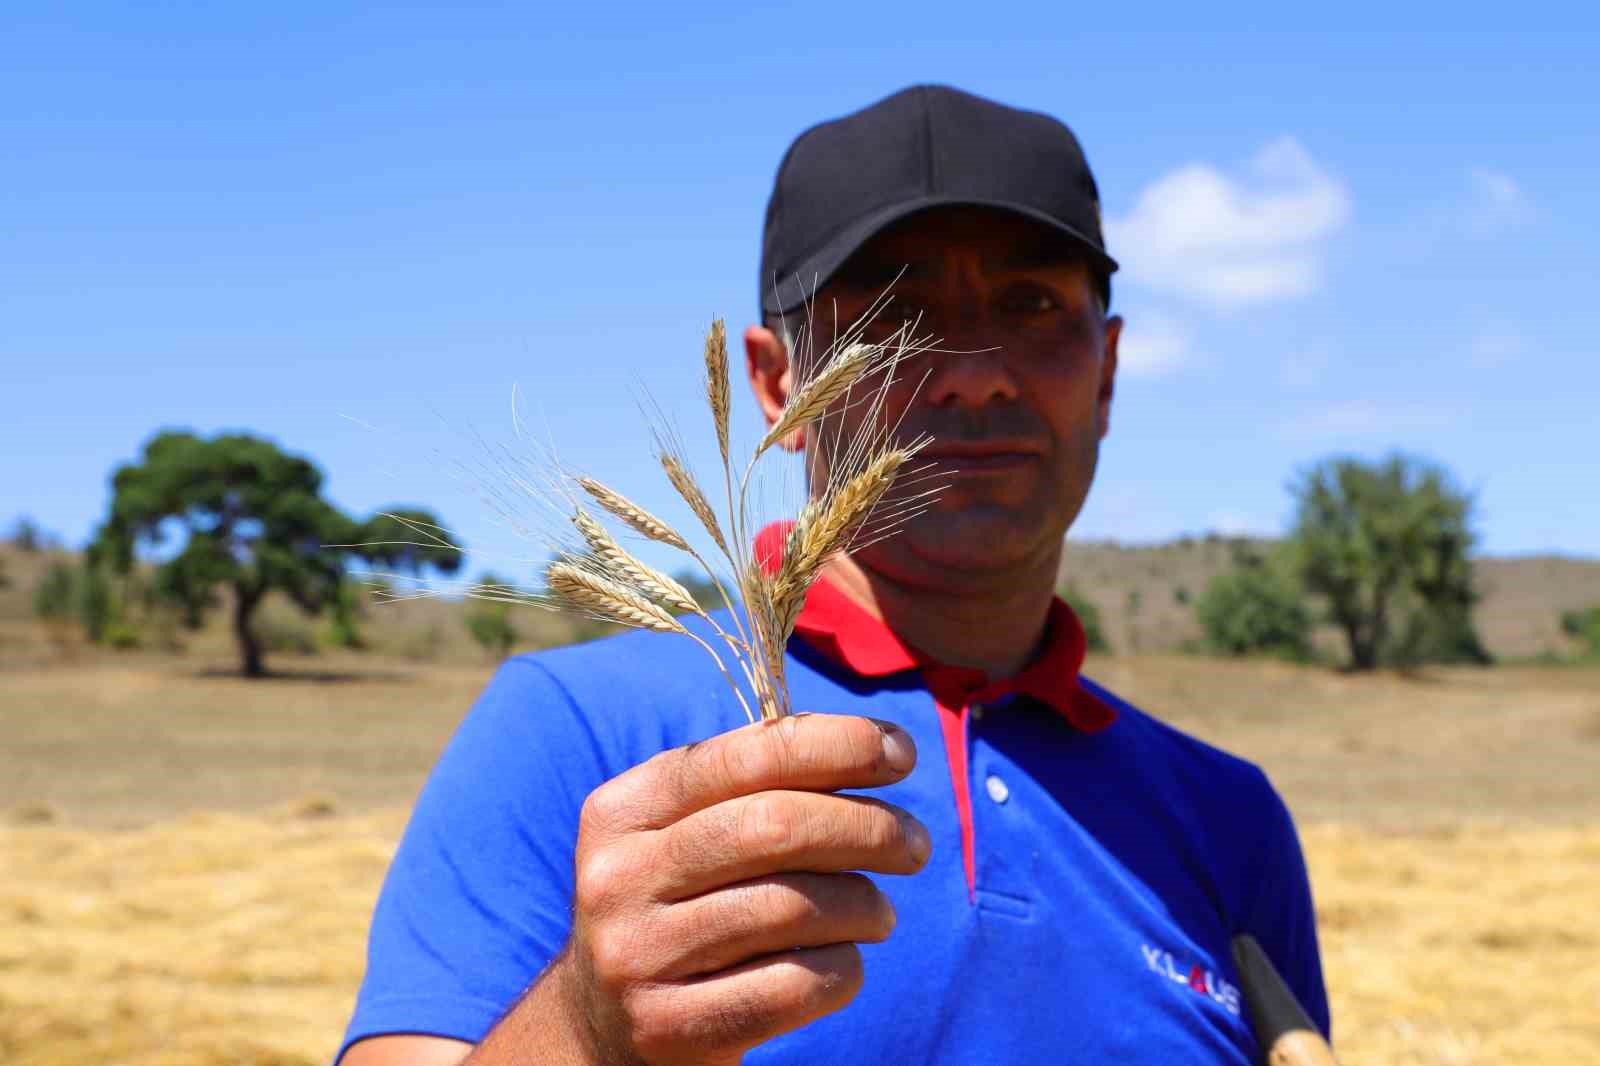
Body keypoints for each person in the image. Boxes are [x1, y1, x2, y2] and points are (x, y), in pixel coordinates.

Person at [338, 84, 1330, 1066]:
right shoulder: (574, 730)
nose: (975, 372)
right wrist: (586, 1027)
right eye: (895, 316)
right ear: (776, 383)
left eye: (1032, 304)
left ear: (1106, 371)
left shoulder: (1227, 815)